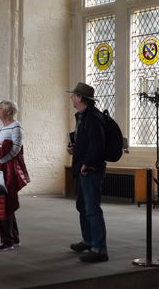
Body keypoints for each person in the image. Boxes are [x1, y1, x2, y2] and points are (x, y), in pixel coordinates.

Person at [66, 82, 109, 263]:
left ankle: (99, 249)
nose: (71, 98)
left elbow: (98, 144)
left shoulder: (92, 117)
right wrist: (75, 148)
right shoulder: (83, 116)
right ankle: (89, 240)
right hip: (83, 167)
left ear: (80, 98)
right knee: (83, 206)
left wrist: (87, 163)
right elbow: (88, 141)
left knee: (92, 209)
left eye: (74, 95)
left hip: (90, 169)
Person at [0, 100, 30, 251]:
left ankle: (7, 240)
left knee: (5, 203)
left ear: (8, 111)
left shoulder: (16, 126)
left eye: (0, 109)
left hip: (7, 169)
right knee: (4, 203)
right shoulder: (0, 128)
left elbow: (15, 149)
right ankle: (13, 237)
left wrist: (0, 161)